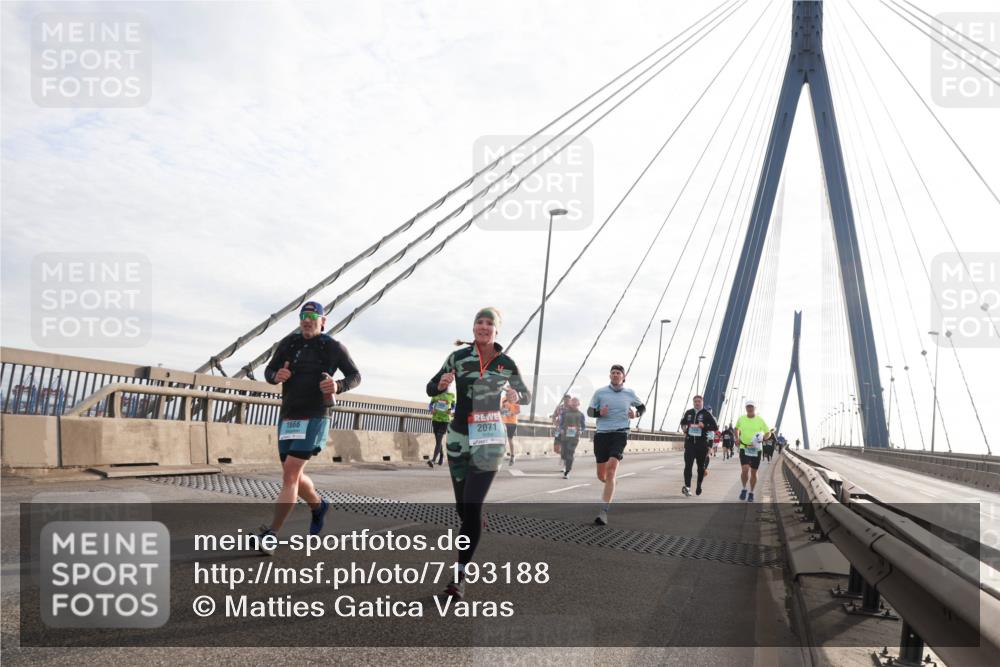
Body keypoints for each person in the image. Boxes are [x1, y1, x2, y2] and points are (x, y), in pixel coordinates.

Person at [426, 307, 530, 599]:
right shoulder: (458, 358)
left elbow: (525, 394)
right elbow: (431, 387)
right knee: (463, 508)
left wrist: (516, 395)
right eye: (479, 322)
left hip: (489, 439)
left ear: (497, 330)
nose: (483, 327)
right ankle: (474, 520)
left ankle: (459, 575)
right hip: (458, 437)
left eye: (489, 323)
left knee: (471, 505)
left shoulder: (505, 363)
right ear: (473, 328)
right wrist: (440, 385)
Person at [257, 301, 361, 554]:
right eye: (303, 315)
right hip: (288, 416)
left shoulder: (333, 346)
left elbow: (355, 376)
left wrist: (338, 386)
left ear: (322, 321)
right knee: (291, 473)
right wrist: (275, 377)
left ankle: (272, 534)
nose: (307, 320)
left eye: (313, 316)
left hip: (315, 416)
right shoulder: (288, 344)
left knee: (290, 474)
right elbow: (270, 370)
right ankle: (318, 505)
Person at [587, 364, 646, 525]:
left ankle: (603, 512)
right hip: (602, 434)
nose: (615, 375)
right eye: (613, 372)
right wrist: (599, 413)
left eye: (618, 373)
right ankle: (611, 483)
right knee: (602, 475)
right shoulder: (600, 392)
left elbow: (642, 407)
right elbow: (589, 411)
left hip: (620, 433)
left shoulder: (630, 393)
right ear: (610, 376)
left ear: (623, 376)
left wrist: (636, 414)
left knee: (611, 469)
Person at [679, 395, 718, 497]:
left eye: (699, 401)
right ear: (693, 402)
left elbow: (715, 427)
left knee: (700, 468)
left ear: (702, 402)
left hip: (702, 445)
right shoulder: (689, 412)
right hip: (690, 444)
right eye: (695, 401)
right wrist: (684, 428)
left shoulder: (706, 414)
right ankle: (687, 487)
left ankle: (699, 485)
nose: (697, 403)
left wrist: (704, 426)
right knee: (688, 466)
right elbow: (682, 423)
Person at [735, 400, 770, 502]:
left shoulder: (760, 420)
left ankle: (751, 492)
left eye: (751, 407)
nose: (749, 408)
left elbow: (768, 432)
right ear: (746, 408)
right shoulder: (741, 419)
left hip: (756, 449)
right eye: (748, 407)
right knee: (745, 469)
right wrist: (737, 438)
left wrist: (764, 438)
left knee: (754, 472)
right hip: (744, 447)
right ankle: (744, 489)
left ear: (755, 408)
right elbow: (736, 429)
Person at [558, 397, 586, 479]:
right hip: (565, 436)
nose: (574, 405)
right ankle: (564, 461)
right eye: (573, 403)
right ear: (570, 404)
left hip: (574, 437)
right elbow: (561, 424)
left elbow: (583, 426)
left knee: (570, 454)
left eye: (575, 403)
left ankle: (567, 472)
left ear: (578, 404)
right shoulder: (564, 413)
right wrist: (561, 429)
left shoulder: (581, 414)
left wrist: (581, 431)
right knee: (563, 453)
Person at [428, 385, 456, 467]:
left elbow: (454, 406)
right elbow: (430, 405)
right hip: (435, 419)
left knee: (439, 439)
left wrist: (450, 410)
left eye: (447, 385)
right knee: (438, 441)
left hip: (445, 420)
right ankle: (441, 456)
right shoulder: (435, 395)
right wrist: (431, 410)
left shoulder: (451, 395)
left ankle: (433, 460)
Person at [501, 393, 520, 465]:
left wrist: (511, 413)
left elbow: (518, 411)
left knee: (510, 439)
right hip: (504, 422)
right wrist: (505, 412)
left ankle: (512, 455)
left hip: (512, 422)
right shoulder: (503, 399)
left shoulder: (516, 399)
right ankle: (503, 453)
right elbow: (500, 410)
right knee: (503, 438)